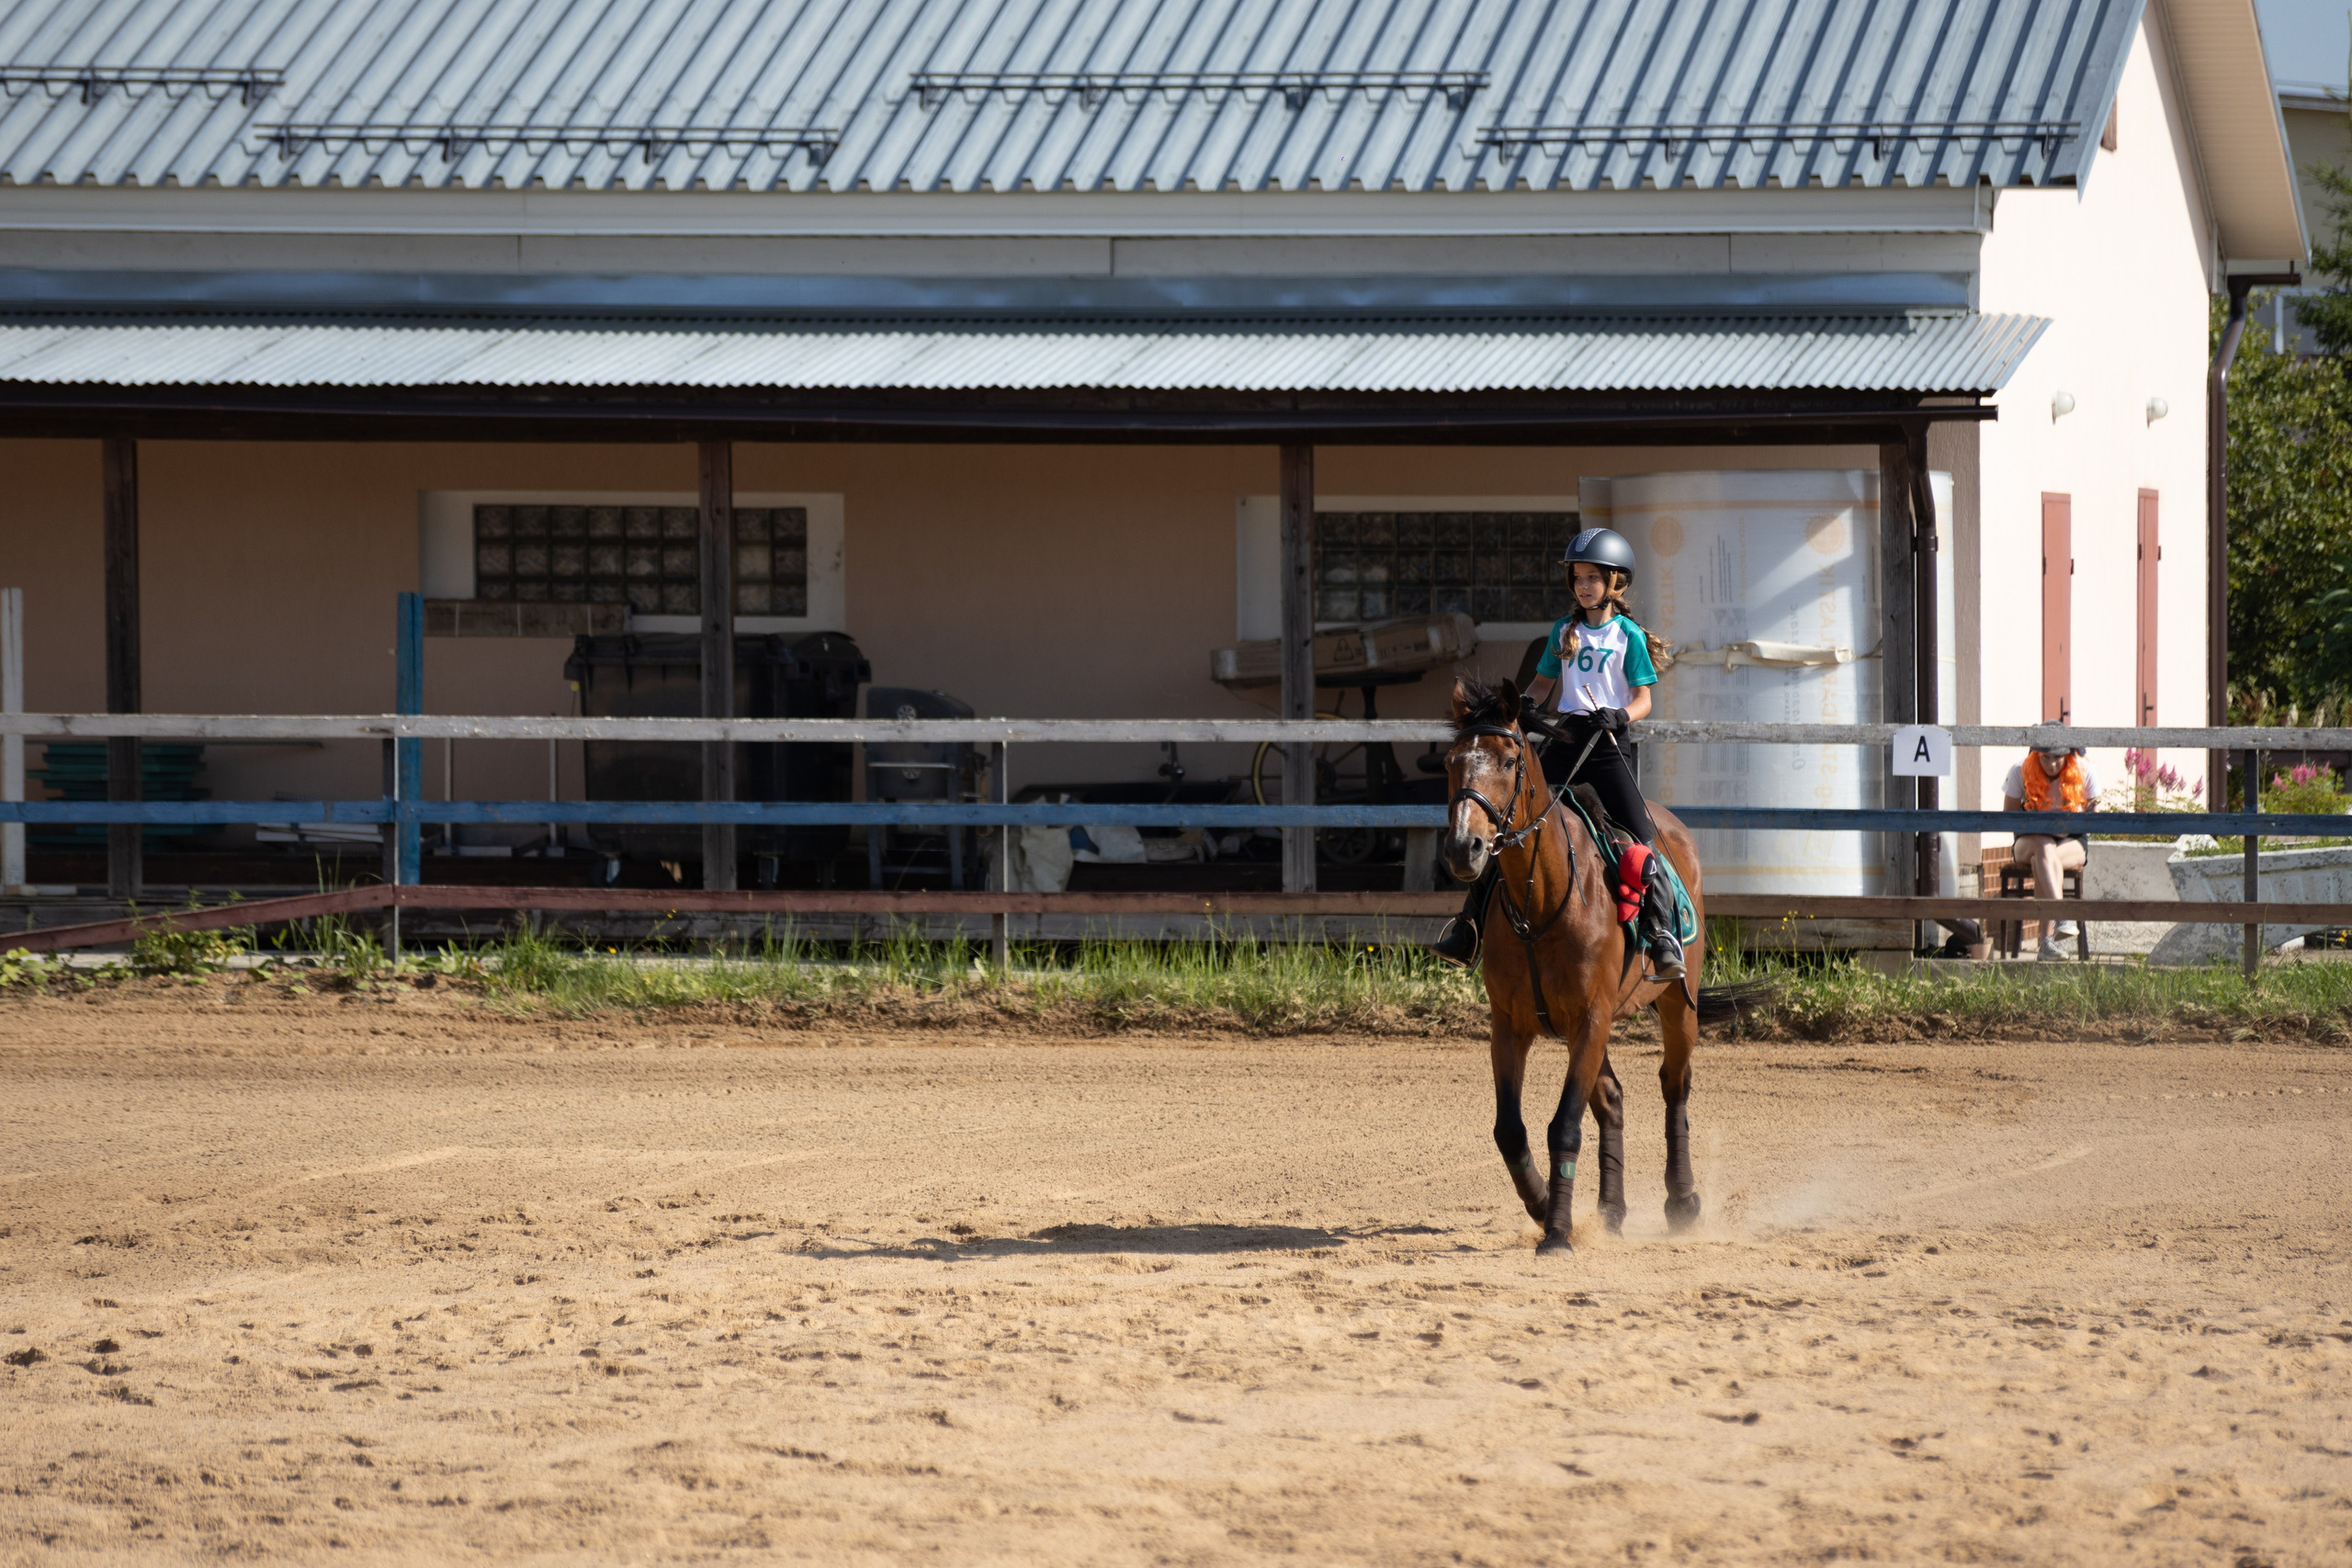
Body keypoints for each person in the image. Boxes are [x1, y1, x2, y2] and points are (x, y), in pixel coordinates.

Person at [1431, 526, 1685, 980]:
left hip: (1608, 744)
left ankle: (1663, 934)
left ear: (1615, 583)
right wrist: (1524, 705)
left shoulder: (1627, 635)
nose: (1583, 586)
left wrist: (1621, 715)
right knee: (1510, 825)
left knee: (1641, 837)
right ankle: (1469, 927)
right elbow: (1542, 683)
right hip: (1567, 736)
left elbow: (1644, 699)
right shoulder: (1563, 631)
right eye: (1578, 578)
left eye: (1593, 578)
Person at [2003, 737, 2101, 962]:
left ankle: (2045, 944)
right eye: (2045, 758)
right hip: (2029, 841)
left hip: (2071, 840)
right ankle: (2061, 915)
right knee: (2042, 847)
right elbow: (2008, 818)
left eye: (2057, 757)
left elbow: (2094, 819)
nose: (2052, 764)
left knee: (2043, 860)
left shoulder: (2085, 770)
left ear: (2068, 754)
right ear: (2036, 755)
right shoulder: (2020, 770)